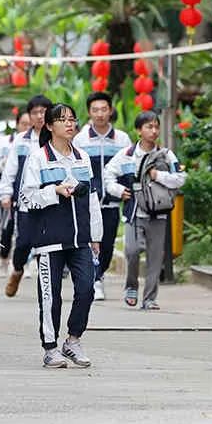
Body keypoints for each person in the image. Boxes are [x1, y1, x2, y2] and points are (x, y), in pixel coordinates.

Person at [20, 103, 102, 369]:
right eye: (62, 119)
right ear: (49, 126)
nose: (69, 124)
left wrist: (95, 235)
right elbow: (26, 198)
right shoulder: (38, 158)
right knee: (50, 295)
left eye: (72, 119)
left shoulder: (83, 158)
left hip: (80, 239)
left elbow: (91, 198)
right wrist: (54, 191)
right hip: (49, 239)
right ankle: (50, 347)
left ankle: (73, 340)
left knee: (87, 289)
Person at [103, 111, 186, 310]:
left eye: (156, 127)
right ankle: (131, 286)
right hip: (134, 213)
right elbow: (108, 175)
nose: (154, 131)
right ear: (139, 130)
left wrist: (158, 175)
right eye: (149, 127)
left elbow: (181, 178)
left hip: (159, 214)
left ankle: (149, 298)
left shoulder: (166, 155)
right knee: (131, 252)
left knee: (155, 258)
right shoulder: (127, 155)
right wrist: (118, 190)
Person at [74, 91, 133, 301]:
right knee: (90, 240)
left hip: (111, 201)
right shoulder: (80, 139)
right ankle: (95, 279)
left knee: (107, 243)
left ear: (110, 111)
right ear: (89, 112)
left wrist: (126, 191)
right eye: (95, 110)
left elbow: (126, 167)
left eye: (104, 109)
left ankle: (100, 274)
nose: (99, 114)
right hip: (87, 201)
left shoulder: (122, 139)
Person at [0, 95, 52, 297]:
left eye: (43, 111)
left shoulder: (56, 139)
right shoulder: (21, 141)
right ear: (29, 116)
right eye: (35, 112)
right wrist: (6, 193)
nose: (40, 116)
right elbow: (10, 169)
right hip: (25, 203)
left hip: (50, 202)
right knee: (23, 242)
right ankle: (18, 269)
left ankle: (46, 288)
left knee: (46, 246)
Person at [0, 110, 30, 272]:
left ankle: (23, 264)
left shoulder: (38, 142)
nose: (26, 127)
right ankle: (4, 258)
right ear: (17, 124)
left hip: (28, 194)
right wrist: (4, 164)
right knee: (7, 227)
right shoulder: (4, 143)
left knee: (26, 230)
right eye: (23, 124)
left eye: (29, 124)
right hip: (7, 193)